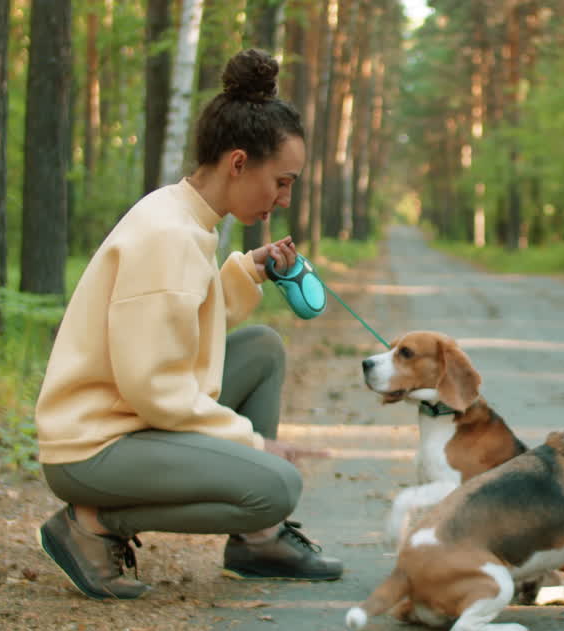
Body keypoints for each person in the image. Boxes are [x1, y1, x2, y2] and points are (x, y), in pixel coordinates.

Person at [34, 48, 342, 600]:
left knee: (263, 348)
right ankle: (93, 525)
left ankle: (256, 543)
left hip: (125, 425)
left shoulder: (183, 216)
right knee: (278, 484)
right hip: (95, 446)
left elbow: (181, 321)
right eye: (282, 182)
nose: (284, 199)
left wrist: (247, 270)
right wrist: (251, 443)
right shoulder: (170, 237)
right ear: (239, 163)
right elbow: (153, 387)